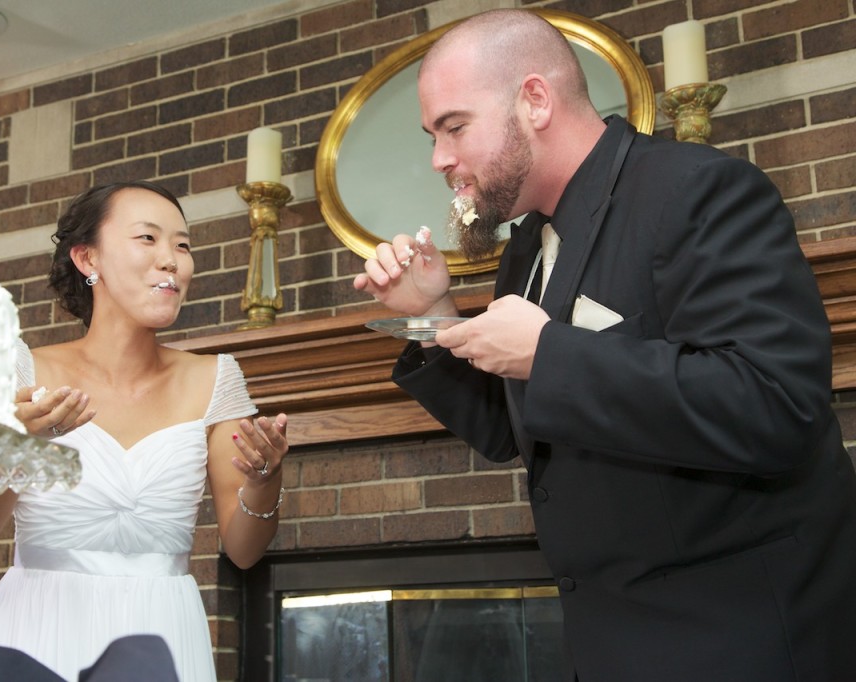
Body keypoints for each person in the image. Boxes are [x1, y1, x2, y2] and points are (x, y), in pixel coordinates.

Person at [354, 9, 856, 682]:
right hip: (611, 643)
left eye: (454, 127)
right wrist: (434, 314)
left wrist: (549, 354)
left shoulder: (696, 190)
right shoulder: (526, 250)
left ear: (534, 100)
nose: (440, 158)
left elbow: (776, 405)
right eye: (433, 135)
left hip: (741, 641)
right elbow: (519, 430)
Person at [0, 180, 289, 682]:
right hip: (39, 631)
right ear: (88, 259)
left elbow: (245, 549)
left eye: (183, 245)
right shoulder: (18, 371)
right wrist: (18, 448)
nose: (172, 259)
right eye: (148, 238)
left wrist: (265, 480)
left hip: (164, 635)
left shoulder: (215, 379)